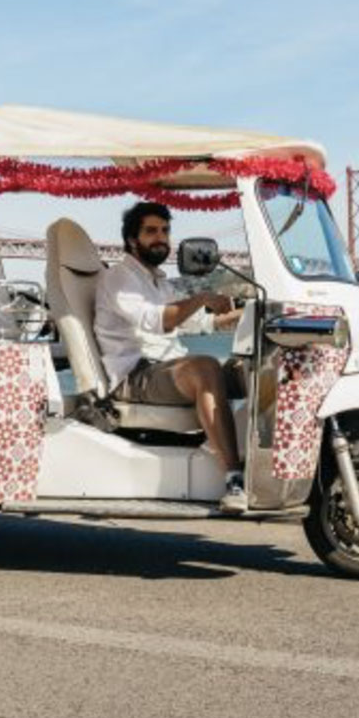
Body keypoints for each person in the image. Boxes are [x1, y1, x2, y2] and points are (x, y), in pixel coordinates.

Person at [94, 201, 248, 511]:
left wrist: (248, 313)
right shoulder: (120, 278)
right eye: (151, 231)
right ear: (132, 239)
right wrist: (202, 297)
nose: (160, 238)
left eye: (165, 231)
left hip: (163, 369)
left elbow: (195, 322)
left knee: (246, 368)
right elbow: (159, 320)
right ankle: (234, 480)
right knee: (205, 367)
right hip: (134, 375)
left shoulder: (157, 280)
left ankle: (263, 459)